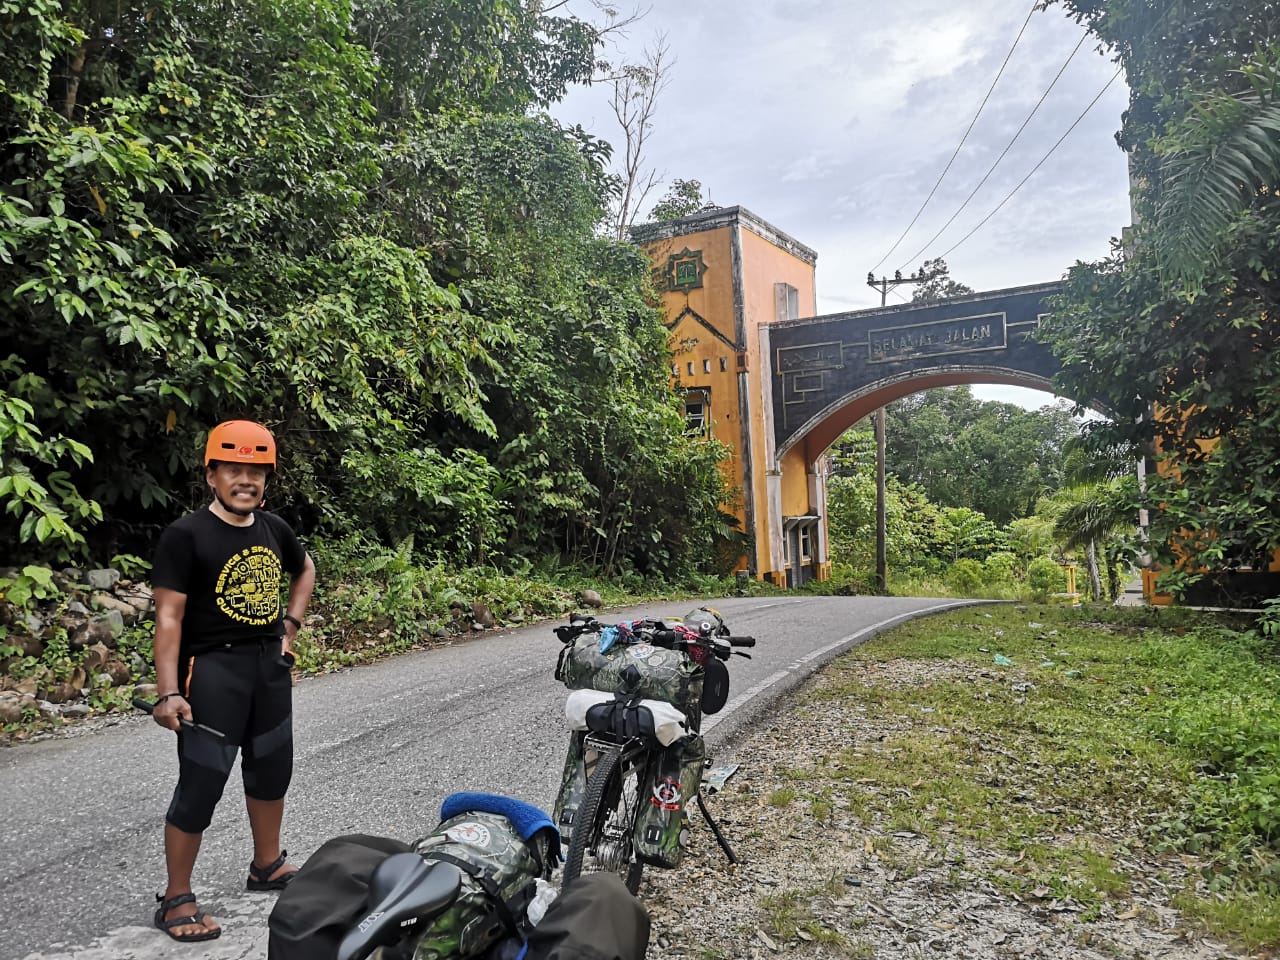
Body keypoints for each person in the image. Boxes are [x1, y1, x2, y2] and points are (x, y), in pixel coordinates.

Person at [149, 420, 316, 943]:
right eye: (234, 470)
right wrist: (169, 691)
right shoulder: (185, 536)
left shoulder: (274, 529)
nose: (246, 480)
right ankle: (177, 896)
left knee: (272, 770)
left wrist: (289, 627)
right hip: (213, 672)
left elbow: (304, 570)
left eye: (256, 472)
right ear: (213, 474)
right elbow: (169, 619)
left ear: (266, 478)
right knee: (201, 783)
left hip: (268, 669)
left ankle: (266, 865)